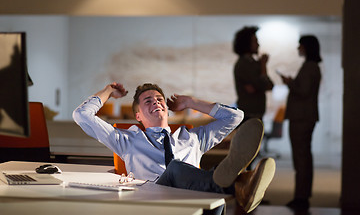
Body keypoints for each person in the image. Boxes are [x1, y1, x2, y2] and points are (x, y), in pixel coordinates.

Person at [73, 82, 276, 213]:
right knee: (176, 168)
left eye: (160, 99)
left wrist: (191, 102)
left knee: (216, 201)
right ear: (138, 116)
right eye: (148, 101)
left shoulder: (193, 138)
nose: (157, 103)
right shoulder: (126, 140)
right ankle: (239, 184)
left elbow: (236, 117)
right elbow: (82, 115)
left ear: (167, 110)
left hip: (195, 203)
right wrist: (108, 91)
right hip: (153, 203)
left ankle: (236, 184)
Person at [279, 35, 322, 211]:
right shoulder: (312, 67)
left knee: (301, 158)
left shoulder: (309, 67)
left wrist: (290, 83)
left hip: (301, 117)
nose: (298, 48)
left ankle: (301, 197)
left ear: (306, 47)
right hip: (305, 116)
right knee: (304, 157)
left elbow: (303, 91)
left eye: (300, 46)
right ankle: (302, 195)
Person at [233, 26, 274, 122]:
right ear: (246, 44)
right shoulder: (243, 64)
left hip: (256, 114)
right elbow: (264, 85)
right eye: (255, 41)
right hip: (248, 115)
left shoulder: (254, 63)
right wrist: (263, 66)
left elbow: (270, 86)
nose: (258, 45)